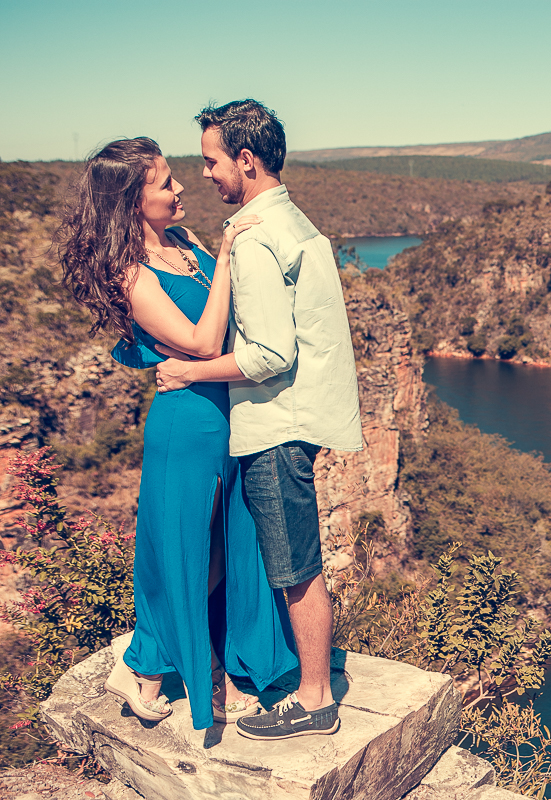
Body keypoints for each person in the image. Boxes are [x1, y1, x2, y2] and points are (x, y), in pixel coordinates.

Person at [57, 137, 298, 729]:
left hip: (236, 414)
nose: (180, 186)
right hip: (186, 423)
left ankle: (237, 667)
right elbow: (201, 342)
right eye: (164, 182)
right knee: (183, 549)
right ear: (131, 201)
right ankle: (146, 664)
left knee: (235, 544)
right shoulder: (129, 271)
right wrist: (226, 249)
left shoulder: (182, 244)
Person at [155, 99, 363, 740]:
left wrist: (191, 371)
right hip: (302, 417)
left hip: (276, 425)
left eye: (212, 161)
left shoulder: (256, 238)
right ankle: (301, 680)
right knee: (292, 557)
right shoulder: (293, 221)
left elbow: (269, 354)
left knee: (295, 565)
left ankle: (314, 699)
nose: (207, 176)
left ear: (246, 161)